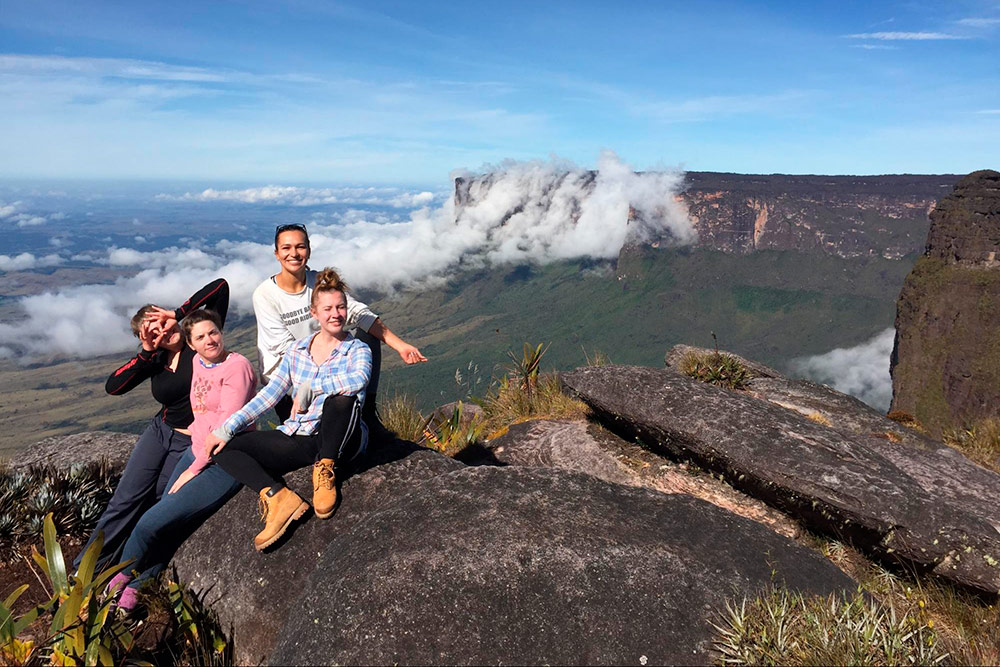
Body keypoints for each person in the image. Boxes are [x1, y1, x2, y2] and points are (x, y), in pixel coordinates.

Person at [208, 268, 371, 551]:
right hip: (301, 434)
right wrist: (227, 428)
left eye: (341, 307)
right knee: (227, 449)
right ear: (314, 313)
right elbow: (270, 395)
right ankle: (278, 497)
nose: (336, 314)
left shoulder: (357, 349)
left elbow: (359, 380)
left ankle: (326, 468)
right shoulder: (297, 351)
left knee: (342, 400)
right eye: (328, 308)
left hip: (341, 437)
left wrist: (311, 387)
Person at [106, 308, 256, 612]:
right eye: (200, 336)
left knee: (150, 522)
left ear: (222, 332)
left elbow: (225, 429)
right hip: (194, 451)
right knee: (167, 521)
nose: (209, 340)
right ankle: (137, 587)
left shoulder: (236, 367)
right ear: (192, 344)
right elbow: (202, 412)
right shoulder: (199, 363)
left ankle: (119, 578)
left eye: (213, 332)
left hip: (223, 460)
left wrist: (194, 468)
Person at [74, 279, 230, 572]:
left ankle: (123, 570)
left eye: (163, 324)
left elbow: (220, 288)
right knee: (124, 501)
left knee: (158, 505)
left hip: (189, 442)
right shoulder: (155, 359)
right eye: (153, 332)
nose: (164, 332)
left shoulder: (198, 344)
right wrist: (146, 352)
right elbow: (114, 386)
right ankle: (85, 571)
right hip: (159, 434)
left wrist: (178, 312)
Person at [254, 223, 426, 434]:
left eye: (300, 247)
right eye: (287, 248)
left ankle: (368, 413)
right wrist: (324, 377)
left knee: (366, 337)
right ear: (277, 253)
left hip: (324, 369)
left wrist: (399, 346)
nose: (294, 253)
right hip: (288, 384)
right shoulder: (265, 295)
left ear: (308, 250)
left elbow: (359, 313)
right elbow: (286, 349)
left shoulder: (318, 282)